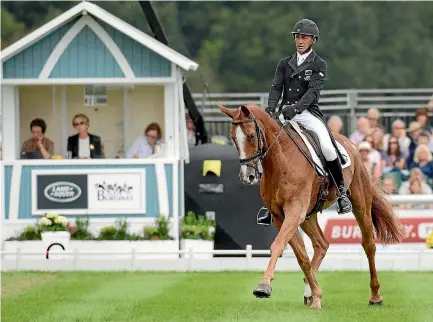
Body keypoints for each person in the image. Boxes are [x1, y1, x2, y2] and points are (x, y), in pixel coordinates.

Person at [265, 18, 352, 215]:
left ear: (313, 40)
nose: (299, 40)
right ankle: (268, 199)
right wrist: (272, 107)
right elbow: (276, 87)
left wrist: (295, 109)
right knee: (267, 146)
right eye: (297, 37)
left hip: (307, 113)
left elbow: (312, 92)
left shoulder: (319, 64)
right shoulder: (284, 63)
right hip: (285, 113)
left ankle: (341, 193)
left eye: (304, 37)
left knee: (328, 147)